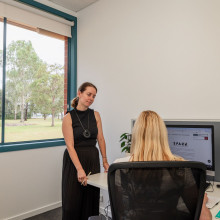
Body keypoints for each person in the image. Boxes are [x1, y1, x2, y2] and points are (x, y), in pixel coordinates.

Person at [114, 110, 212, 220]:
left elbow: (120, 213)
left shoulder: (120, 166)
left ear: (136, 135)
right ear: (163, 135)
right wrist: (202, 202)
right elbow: (204, 218)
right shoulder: (181, 167)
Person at [62, 82, 109, 220]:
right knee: (73, 200)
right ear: (79, 93)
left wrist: (105, 161)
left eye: (94, 96)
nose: (91, 98)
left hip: (92, 158)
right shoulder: (68, 117)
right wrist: (79, 168)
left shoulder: (96, 115)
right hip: (74, 161)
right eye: (89, 94)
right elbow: (70, 146)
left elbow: (100, 138)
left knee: (90, 198)